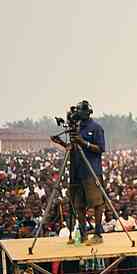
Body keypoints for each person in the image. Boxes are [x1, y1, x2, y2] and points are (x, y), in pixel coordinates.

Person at [51, 100, 106, 245]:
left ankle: (98, 234)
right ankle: (82, 235)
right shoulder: (76, 127)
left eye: (81, 111)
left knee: (97, 203)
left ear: (88, 112)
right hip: (76, 170)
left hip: (91, 170)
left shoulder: (96, 128)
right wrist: (61, 143)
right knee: (78, 204)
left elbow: (100, 148)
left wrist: (84, 143)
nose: (78, 114)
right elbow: (72, 147)